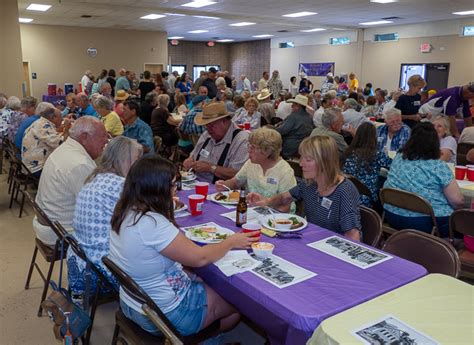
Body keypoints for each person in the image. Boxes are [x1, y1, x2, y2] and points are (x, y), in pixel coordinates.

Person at [109, 156, 257, 336]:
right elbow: (200, 257)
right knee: (238, 303)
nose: (175, 189)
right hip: (164, 315)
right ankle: (204, 338)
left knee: (204, 280)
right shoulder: (152, 223)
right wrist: (231, 241)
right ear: (157, 188)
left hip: (132, 303)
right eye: (172, 185)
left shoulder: (125, 209)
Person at [67, 136, 143, 299]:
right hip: (101, 270)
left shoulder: (94, 178)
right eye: (137, 159)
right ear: (126, 160)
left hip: (81, 261)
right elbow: (145, 222)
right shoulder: (121, 186)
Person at [248, 135, 361, 240]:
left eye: (308, 160)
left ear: (325, 162)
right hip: (314, 240)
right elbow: (284, 198)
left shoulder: (344, 191)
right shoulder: (309, 183)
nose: (301, 163)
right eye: (301, 158)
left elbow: (352, 234)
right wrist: (265, 201)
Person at [34, 116, 108, 245]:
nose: (106, 141)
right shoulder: (79, 164)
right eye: (103, 136)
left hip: (47, 223)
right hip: (59, 232)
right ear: (84, 137)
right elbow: (96, 211)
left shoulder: (66, 149)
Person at [383, 122, 464, 237]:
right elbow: (458, 201)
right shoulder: (437, 166)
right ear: (435, 143)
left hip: (391, 214)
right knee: (463, 220)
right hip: (425, 222)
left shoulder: (399, 157)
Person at [215, 127, 296, 212]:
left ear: (267, 151)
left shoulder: (285, 171)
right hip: (253, 212)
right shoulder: (251, 163)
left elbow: (285, 208)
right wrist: (223, 185)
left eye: (253, 147)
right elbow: (235, 183)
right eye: (249, 146)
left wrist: (265, 202)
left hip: (277, 219)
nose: (249, 150)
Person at [183, 102, 249, 183]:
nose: (208, 129)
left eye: (211, 125)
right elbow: (193, 156)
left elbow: (238, 174)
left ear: (224, 121)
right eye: (206, 125)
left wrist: (211, 168)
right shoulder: (206, 135)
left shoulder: (241, 140)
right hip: (196, 183)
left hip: (221, 190)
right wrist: (189, 161)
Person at [343, 123, 391, 208]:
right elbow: (391, 165)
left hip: (347, 194)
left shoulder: (348, 152)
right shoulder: (376, 154)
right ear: (373, 137)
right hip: (366, 196)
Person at [22, 105, 70, 175]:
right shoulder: (43, 126)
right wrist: (67, 129)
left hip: (28, 165)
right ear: (53, 118)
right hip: (36, 169)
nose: (62, 119)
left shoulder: (40, 122)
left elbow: (51, 137)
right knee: (67, 167)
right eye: (61, 117)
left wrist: (58, 130)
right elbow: (60, 143)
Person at [276, 94, 315, 159]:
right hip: (303, 148)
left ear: (298, 106)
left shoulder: (293, 117)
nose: (291, 106)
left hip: (289, 149)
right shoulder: (309, 117)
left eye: (293, 104)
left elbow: (282, 131)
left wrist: (273, 128)